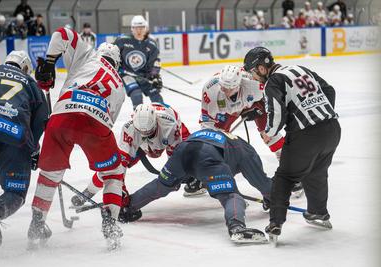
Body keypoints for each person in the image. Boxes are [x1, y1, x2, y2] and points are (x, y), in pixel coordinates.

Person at [27, 27, 125, 250]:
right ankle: (111, 222)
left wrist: (50, 63)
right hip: (96, 121)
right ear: (117, 63)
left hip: (61, 116)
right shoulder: (119, 85)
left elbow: (62, 33)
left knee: (50, 174)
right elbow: (108, 122)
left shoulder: (87, 54)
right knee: (113, 172)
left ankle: (37, 223)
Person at [243, 47, 341, 240]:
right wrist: (320, 113)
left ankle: (275, 223)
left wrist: (267, 132)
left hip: (306, 136)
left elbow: (277, 116)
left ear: (262, 69)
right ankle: (318, 212)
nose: (254, 78)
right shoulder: (299, 68)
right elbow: (329, 90)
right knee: (317, 172)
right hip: (331, 129)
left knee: (284, 177)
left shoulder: (273, 81)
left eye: (254, 72)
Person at [120, 128, 273, 244]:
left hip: (183, 150)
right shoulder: (247, 151)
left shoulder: (229, 140)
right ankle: (237, 227)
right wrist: (272, 198)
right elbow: (262, 183)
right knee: (232, 196)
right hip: (208, 156)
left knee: (162, 184)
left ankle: (126, 207)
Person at [199, 65, 304, 196]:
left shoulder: (253, 85)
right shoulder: (210, 90)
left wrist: (260, 109)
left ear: (238, 85)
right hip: (228, 110)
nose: (224, 90)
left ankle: (292, 171)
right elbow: (206, 122)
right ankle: (209, 173)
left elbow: (274, 97)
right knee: (215, 140)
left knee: (269, 134)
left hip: (255, 102)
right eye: (223, 87)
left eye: (229, 88)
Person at [70, 102, 198, 208]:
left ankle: (196, 181)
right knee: (111, 167)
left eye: (148, 132)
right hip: (142, 144)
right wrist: (122, 190)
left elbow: (174, 159)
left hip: (172, 136)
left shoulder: (170, 126)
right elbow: (119, 166)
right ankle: (87, 193)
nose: (145, 135)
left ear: (155, 122)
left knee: (189, 157)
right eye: (141, 132)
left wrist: (173, 178)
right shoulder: (129, 129)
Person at [0, 50, 48, 251]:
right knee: (15, 191)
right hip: (17, 135)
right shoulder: (33, 86)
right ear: (26, 68)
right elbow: (41, 121)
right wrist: (33, 150)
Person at [114, 15, 163, 109]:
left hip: (144, 75)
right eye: (136, 28)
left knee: (156, 95)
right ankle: (138, 117)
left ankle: (161, 116)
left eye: (141, 28)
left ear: (146, 28)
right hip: (127, 74)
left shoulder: (151, 44)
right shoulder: (122, 40)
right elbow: (111, 54)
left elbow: (156, 62)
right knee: (136, 94)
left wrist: (154, 76)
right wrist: (116, 67)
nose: (139, 31)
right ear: (132, 28)